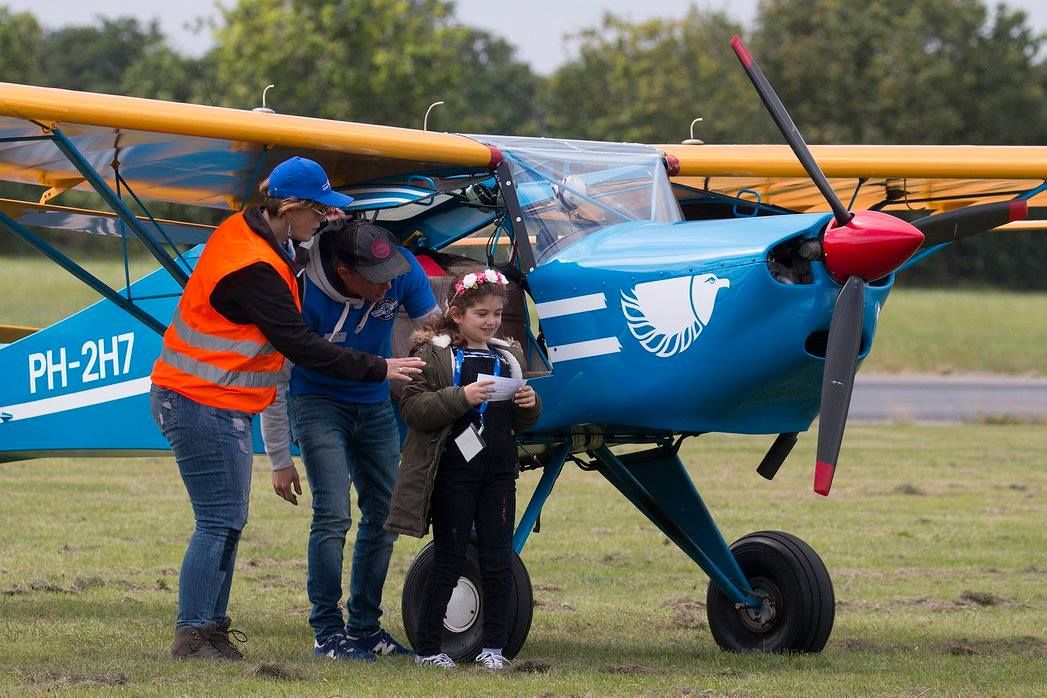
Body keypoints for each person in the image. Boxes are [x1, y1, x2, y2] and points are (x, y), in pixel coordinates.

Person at [149, 156, 425, 661]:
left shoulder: (253, 235)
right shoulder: (254, 265)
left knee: (227, 521)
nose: (324, 221)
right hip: (198, 400)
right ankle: (192, 635)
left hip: (220, 401)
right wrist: (378, 368)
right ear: (292, 208)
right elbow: (301, 345)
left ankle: (210, 631)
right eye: (318, 211)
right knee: (218, 521)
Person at [261, 220, 438, 662]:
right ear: (344, 272)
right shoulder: (304, 296)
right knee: (333, 516)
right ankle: (327, 631)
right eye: (377, 280)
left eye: (393, 274)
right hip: (316, 403)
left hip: (375, 403)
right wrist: (280, 458)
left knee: (385, 513)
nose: (389, 286)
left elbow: (437, 335)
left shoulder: (401, 272)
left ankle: (365, 627)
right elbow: (276, 378)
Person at [385, 268, 541, 670]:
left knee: (497, 559)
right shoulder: (433, 354)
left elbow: (518, 421)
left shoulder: (509, 356)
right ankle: (427, 649)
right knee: (450, 558)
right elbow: (414, 409)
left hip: (500, 472)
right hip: (453, 473)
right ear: (457, 314)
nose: (490, 322)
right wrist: (462, 396)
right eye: (481, 314)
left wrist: (530, 406)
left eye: (496, 314)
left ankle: (494, 648)